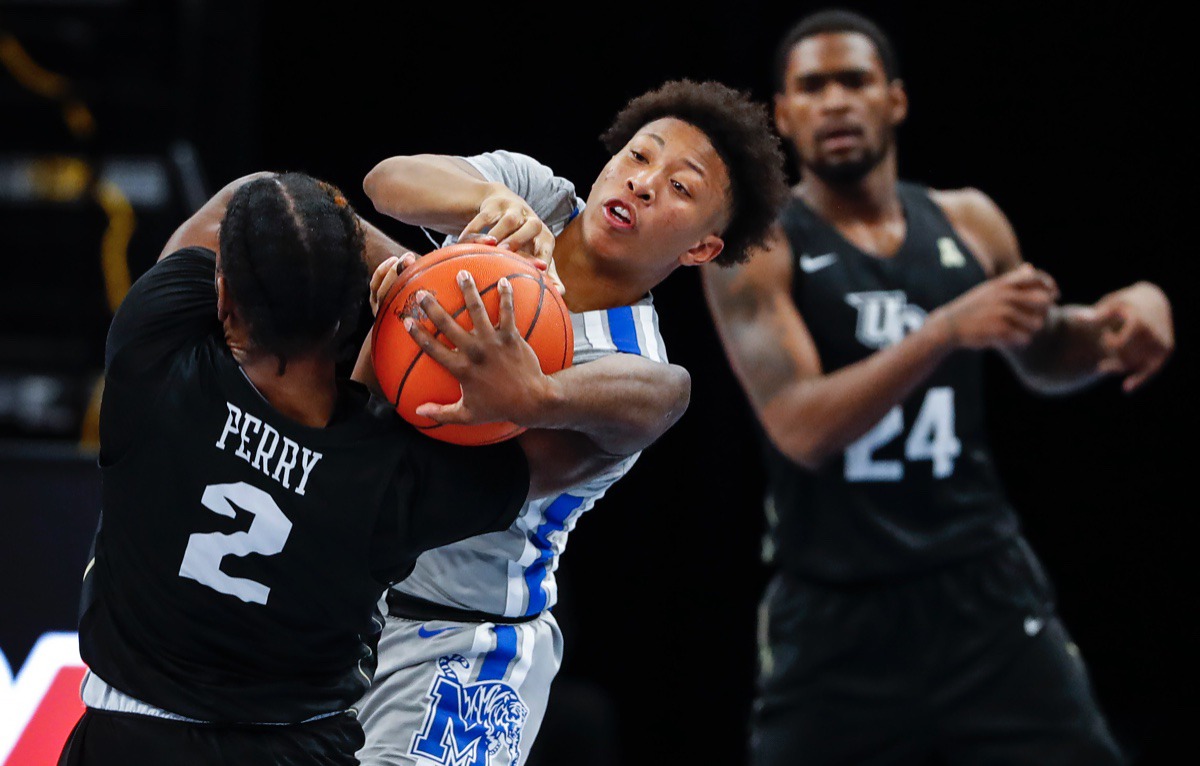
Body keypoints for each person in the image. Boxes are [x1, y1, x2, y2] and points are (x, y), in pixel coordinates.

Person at [701, 9, 1175, 766]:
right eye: (812, 87)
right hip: (836, 610)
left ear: (894, 99)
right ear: (784, 115)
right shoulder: (758, 245)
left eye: (853, 81)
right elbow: (799, 427)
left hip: (982, 590)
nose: (835, 102)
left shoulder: (969, 221)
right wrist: (944, 330)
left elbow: (1045, 350)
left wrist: (1124, 317)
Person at [57, 170, 614, 766]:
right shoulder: (396, 476)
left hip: (128, 738)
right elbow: (606, 442)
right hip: (300, 750)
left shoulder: (154, 351)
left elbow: (246, 196)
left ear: (223, 299)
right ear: (356, 309)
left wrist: (420, 273)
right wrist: (520, 382)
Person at [351, 78, 789, 766]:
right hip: (340, 585)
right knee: (294, 213)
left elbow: (662, 396)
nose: (644, 184)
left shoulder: (633, 359)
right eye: (641, 157)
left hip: (460, 635)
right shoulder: (537, 195)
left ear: (703, 248)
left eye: (681, 187)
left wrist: (537, 395)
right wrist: (484, 200)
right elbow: (387, 181)